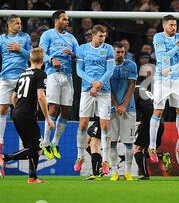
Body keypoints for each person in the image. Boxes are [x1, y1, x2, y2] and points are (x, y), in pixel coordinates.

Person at [0, 48, 54, 183]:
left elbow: (13, 97)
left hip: (17, 112)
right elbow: (41, 97)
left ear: (30, 59)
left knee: (31, 147)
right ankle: (3, 158)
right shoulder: (41, 74)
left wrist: (19, 110)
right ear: (42, 60)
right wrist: (47, 118)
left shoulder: (23, 74)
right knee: (37, 150)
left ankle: (32, 177)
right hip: (26, 114)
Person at [149, 14, 179, 163]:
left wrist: (171, 70)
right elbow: (162, 58)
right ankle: (152, 147)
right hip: (161, 81)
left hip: (176, 79)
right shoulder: (158, 38)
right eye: (171, 25)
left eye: (175, 25)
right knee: (158, 112)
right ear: (164, 26)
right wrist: (177, 47)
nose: (174, 27)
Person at [0, 15, 32, 155]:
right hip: (6, 79)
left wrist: (19, 49)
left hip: (22, 79)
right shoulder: (1, 39)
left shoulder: (25, 37)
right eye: (17, 23)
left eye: (20, 23)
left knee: (22, 111)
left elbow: (32, 57)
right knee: (2, 109)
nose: (20, 25)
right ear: (9, 24)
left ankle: (27, 138)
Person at [75, 24, 114, 175]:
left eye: (104, 36)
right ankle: (79, 157)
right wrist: (92, 83)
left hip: (103, 91)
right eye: (100, 36)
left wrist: (97, 85)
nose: (103, 39)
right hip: (87, 90)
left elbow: (109, 71)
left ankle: (105, 160)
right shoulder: (82, 49)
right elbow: (79, 70)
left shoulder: (108, 49)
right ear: (93, 35)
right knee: (83, 123)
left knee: (105, 126)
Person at [40, 10, 79, 160]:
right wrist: (51, 60)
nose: (67, 22)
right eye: (64, 19)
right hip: (52, 75)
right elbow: (41, 52)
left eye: (68, 20)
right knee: (53, 108)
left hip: (67, 75)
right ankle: (45, 141)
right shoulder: (47, 35)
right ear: (56, 20)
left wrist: (73, 55)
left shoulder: (71, 38)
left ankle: (55, 143)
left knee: (66, 110)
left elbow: (79, 56)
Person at [109, 43, 137, 181]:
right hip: (111, 110)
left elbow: (132, 85)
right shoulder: (107, 66)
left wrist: (124, 105)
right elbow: (107, 88)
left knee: (129, 142)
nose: (120, 55)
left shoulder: (131, 65)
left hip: (129, 109)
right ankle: (114, 172)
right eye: (118, 52)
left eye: (122, 52)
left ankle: (127, 172)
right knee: (112, 142)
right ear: (113, 53)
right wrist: (116, 105)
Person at [134, 78, 169, 180]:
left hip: (148, 123)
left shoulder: (133, 92)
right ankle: (162, 156)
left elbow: (133, 109)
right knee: (147, 151)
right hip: (160, 121)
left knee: (137, 149)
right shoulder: (145, 90)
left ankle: (145, 175)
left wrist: (136, 122)